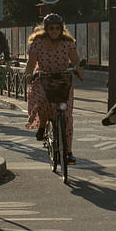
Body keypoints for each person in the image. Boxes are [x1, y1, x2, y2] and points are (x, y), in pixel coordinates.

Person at [25, 13, 83, 165]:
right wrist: (29, 74)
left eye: (58, 28)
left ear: (62, 28)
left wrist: (78, 68)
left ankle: (69, 151)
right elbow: (31, 64)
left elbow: (76, 60)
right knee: (41, 99)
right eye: (51, 28)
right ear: (46, 29)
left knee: (66, 115)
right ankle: (43, 125)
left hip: (63, 80)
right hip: (43, 78)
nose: (54, 31)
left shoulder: (68, 42)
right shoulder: (37, 42)